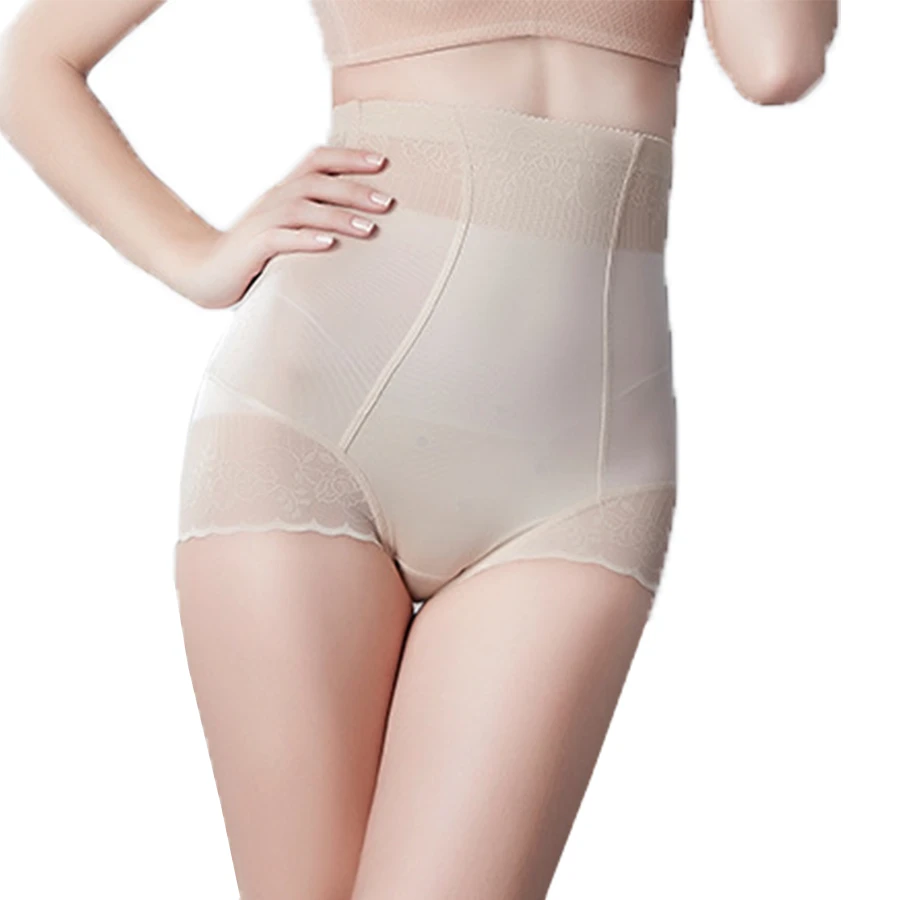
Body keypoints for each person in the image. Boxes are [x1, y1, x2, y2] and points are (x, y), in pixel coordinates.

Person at [0, 2, 838, 898]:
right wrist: (193, 259)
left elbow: (776, 62)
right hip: (316, 421)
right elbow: (29, 67)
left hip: (579, 476)